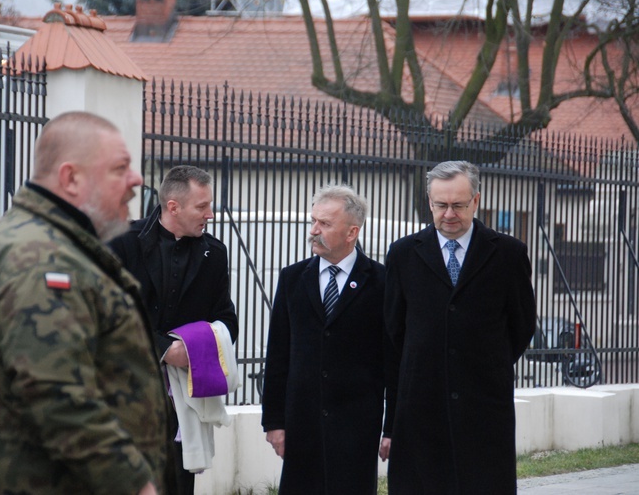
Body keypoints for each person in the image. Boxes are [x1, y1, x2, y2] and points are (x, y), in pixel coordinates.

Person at [0, 111, 172, 495]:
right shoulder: (39, 257)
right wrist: (135, 485)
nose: (137, 180)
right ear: (71, 178)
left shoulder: (58, 246)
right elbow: (58, 395)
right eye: (120, 168)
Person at [382, 160, 537, 494]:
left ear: (476, 201)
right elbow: (394, 329)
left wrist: (485, 363)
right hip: (421, 406)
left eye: (458, 205)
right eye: (440, 205)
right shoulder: (404, 254)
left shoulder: (508, 253)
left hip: (483, 405)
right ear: (429, 202)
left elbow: (522, 324)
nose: (449, 213)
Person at [110, 165, 238, 495]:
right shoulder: (123, 243)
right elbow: (106, 317)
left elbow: (227, 320)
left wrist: (199, 347)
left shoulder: (214, 253)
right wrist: (165, 348)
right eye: (202, 206)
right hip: (125, 393)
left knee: (178, 486)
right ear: (173, 207)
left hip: (184, 403)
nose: (210, 214)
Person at [261, 185, 387, 495]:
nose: (314, 230)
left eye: (325, 224)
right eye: (313, 221)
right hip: (301, 427)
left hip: (356, 428)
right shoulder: (292, 278)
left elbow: (393, 360)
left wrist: (391, 427)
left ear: (351, 232)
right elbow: (278, 354)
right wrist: (274, 422)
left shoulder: (382, 282)